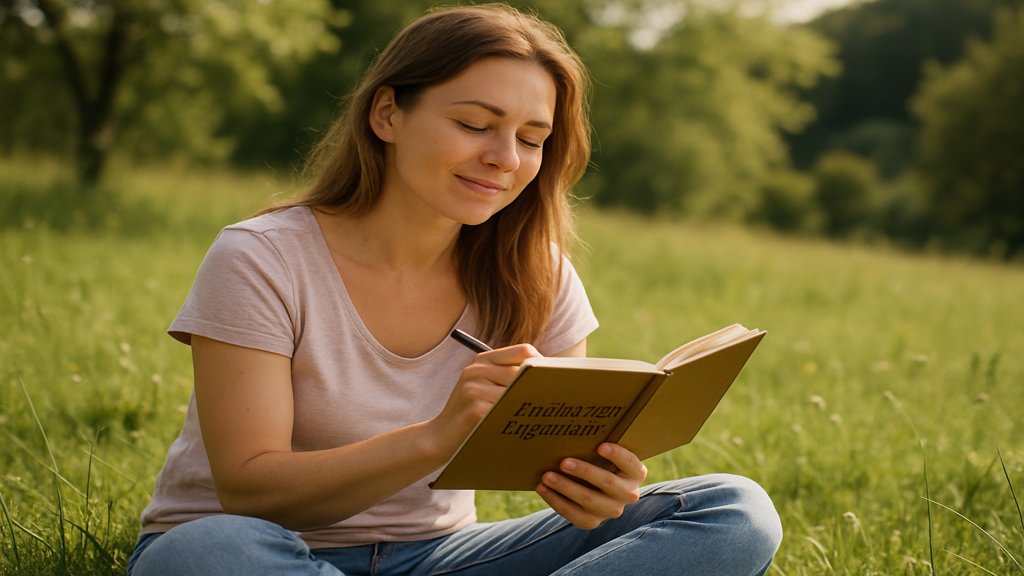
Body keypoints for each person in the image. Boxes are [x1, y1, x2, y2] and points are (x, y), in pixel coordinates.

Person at [128, 4, 782, 575]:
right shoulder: (261, 257)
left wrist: (594, 486)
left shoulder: (538, 270)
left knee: (732, 510)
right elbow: (250, 490)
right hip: (261, 548)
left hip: (440, 557)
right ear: (387, 114)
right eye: (475, 124)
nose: (506, 158)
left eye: (532, 139)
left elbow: (558, 458)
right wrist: (437, 437)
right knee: (204, 554)